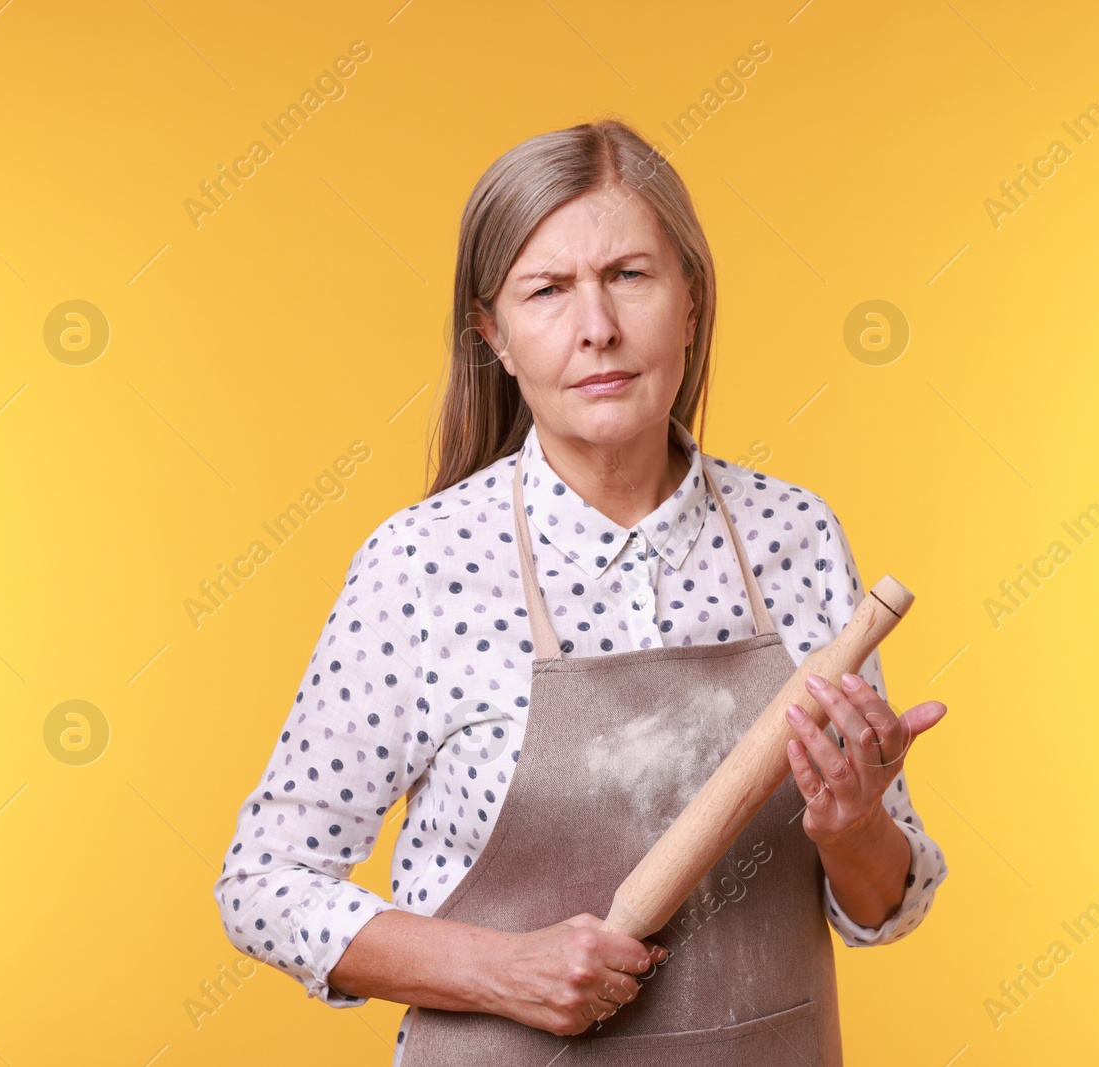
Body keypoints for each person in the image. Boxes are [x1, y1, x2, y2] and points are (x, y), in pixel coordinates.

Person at [212, 117, 948, 1066]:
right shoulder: (423, 565)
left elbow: (889, 904)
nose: (597, 325)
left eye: (630, 276)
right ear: (496, 335)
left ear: (690, 301)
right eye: (549, 290)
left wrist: (853, 827)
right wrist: (500, 969)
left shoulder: (793, 537)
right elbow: (265, 882)